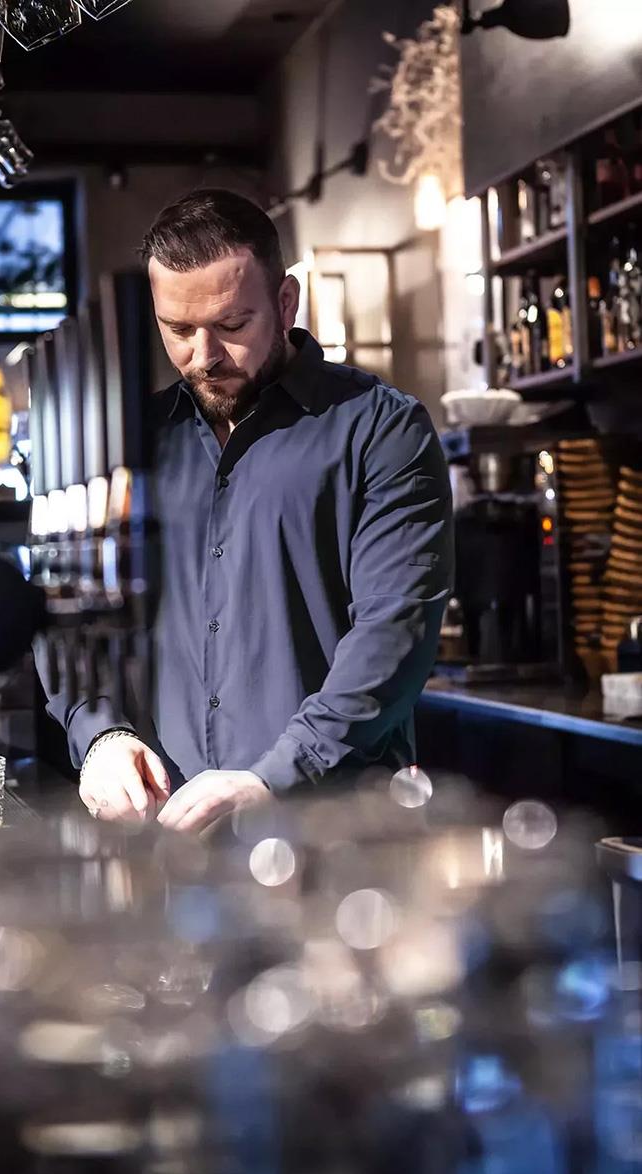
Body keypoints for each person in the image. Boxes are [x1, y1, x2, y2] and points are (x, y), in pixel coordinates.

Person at [40, 189, 453, 834]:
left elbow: (394, 631)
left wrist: (278, 775)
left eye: (232, 326)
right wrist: (98, 733)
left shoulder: (381, 429)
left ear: (286, 302)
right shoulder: (129, 444)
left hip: (338, 837)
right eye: (178, 330)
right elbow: (72, 607)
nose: (203, 357)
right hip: (165, 840)